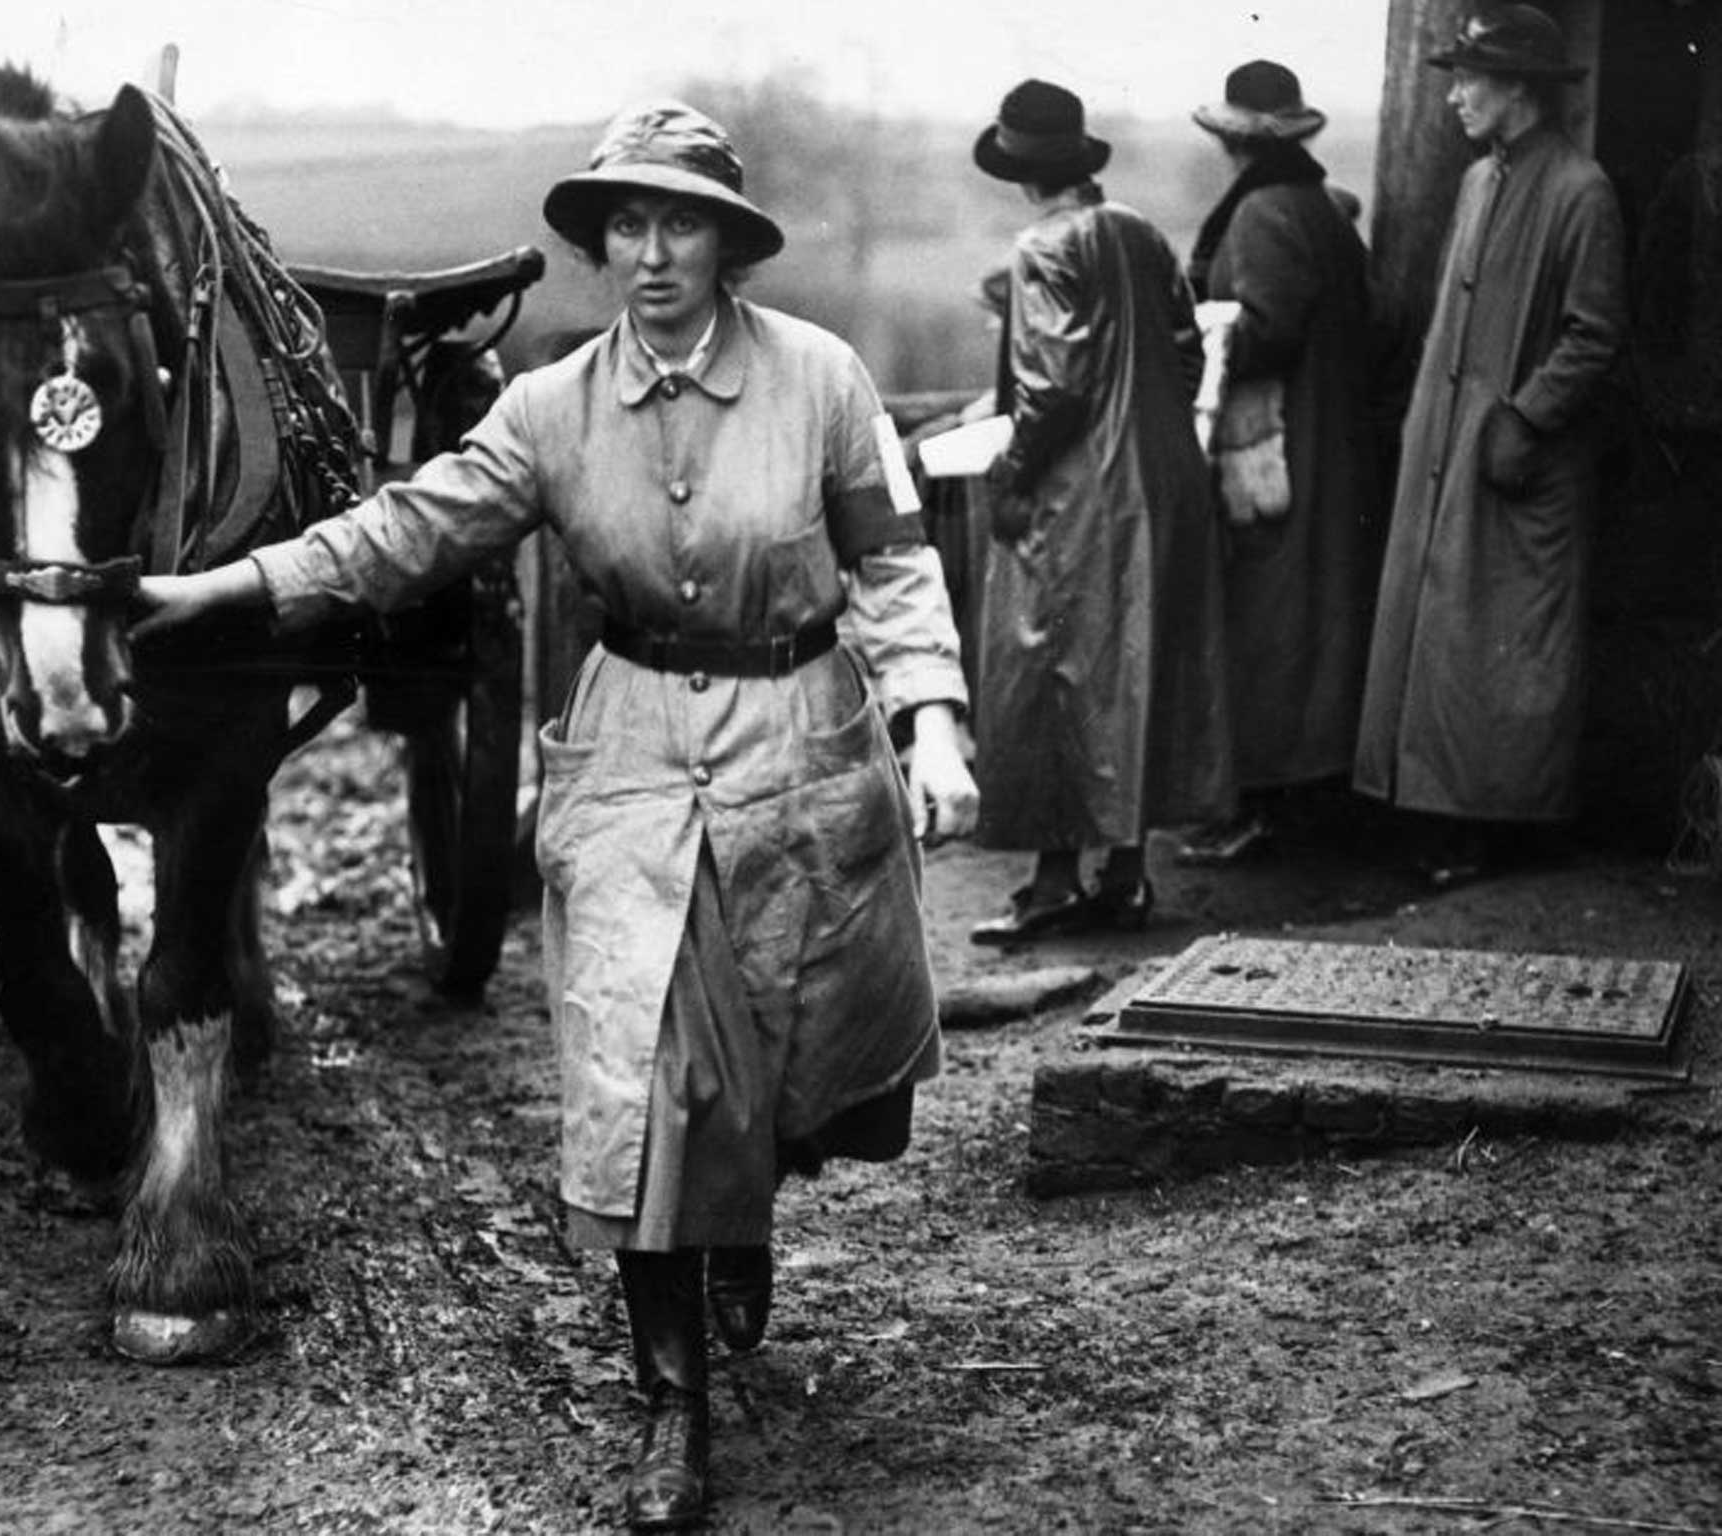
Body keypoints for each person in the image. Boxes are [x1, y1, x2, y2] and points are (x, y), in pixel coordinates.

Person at [132, 101, 979, 1531]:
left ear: (727, 244)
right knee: (642, 1066)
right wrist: (218, 589)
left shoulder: (823, 380)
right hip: (637, 746)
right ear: (600, 245)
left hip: (798, 740)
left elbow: (892, 560)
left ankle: (740, 1214)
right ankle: (673, 1411)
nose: (652, 253)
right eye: (626, 226)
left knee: (787, 1048)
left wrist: (935, 721)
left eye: (682, 223)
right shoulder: (550, 407)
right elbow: (405, 532)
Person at [1353, 5, 1627, 887]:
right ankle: (1436, 813)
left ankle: (1490, 826)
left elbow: (1595, 332)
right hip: (1449, 441)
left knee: (1506, 639)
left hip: (1519, 456)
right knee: (1443, 631)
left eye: (1472, 79)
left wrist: (1526, 414)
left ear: (1519, 88)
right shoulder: (1478, 182)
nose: (1456, 96)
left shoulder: (1582, 190)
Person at [965, 79, 1234, 944]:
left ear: (1019, 172)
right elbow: (1189, 353)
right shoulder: (1139, 232)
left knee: (1051, 670)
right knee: (1139, 665)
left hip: (1077, 495)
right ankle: (1126, 878)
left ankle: (1050, 884)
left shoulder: (1042, 247)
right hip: (1162, 480)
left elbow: (1051, 391)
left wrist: (1008, 473)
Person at [1176, 61, 1381, 866]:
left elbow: (1265, 331)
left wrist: (1198, 331)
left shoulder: (1261, 214)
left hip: (1280, 446)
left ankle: (1270, 805)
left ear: (1234, 142)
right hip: (1329, 438)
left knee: (1273, 622)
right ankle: (1303, 802)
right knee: (1314, 620)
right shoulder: (1318, 208)